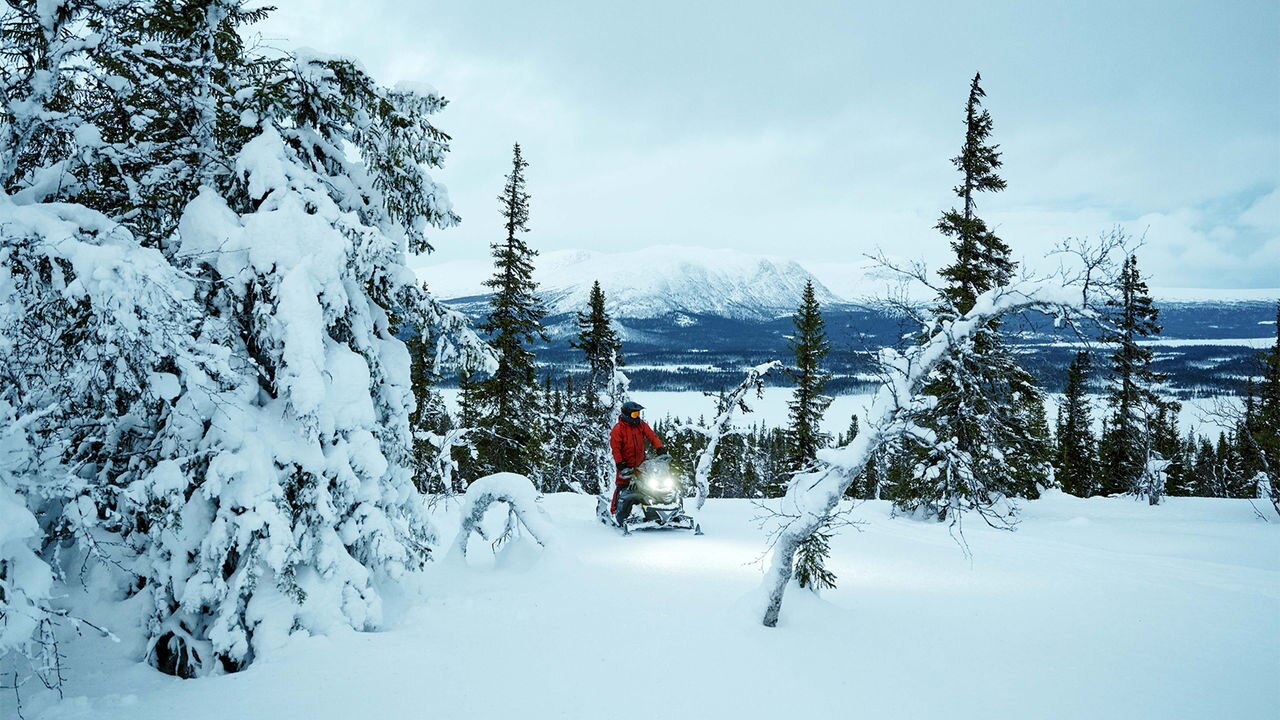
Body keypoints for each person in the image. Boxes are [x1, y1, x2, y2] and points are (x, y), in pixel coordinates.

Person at [610, 400, 666, 528]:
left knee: (647, 485)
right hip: (625, 464)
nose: (637, 417)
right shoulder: (618, 429)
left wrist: (660, 448)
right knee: (622, 486)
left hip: (640, 463)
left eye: (638, 414)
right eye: (634, 414)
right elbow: (616, 448)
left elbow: (652, 436)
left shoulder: (640, 425)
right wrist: (620, 463)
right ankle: (614, 511)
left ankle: (651, 510)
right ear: (626, 415)